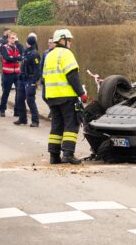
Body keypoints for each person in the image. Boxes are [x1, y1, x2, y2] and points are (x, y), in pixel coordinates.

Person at [42, 28, 87, 165]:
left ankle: (54, 156)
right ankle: (68, 154)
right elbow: (72, 76)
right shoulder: (66, 54)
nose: (70, 43)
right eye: (69, 40)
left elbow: (44, 78)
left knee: (57, 125)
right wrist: (82, 93)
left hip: (51, 97)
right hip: (66, 96)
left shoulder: (49, 55)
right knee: (71, 124)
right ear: (63, 40)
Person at [14, 34, 42, 127]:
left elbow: (37, 69)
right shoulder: (26, 51)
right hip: (23, 78)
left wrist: (34, 81)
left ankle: (35, 120)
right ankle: (22, 119)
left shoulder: (34, 54)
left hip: (30, 79)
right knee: (19, 99)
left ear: (28, 43)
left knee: (30, 99)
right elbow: (23, 64)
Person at [0, 31, 22, 117]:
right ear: (8, 39)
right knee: (6, 92)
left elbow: (21, 57)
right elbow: (7, 58)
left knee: (18, 93)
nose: (13, 40)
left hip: (17, 73)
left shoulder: (17, 47)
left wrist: (14, 58)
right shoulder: (4, 47)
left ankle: (17, 110)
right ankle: (2, 109)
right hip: (7, 74)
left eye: (14, 38)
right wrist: (15, 58)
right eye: (12, 38)